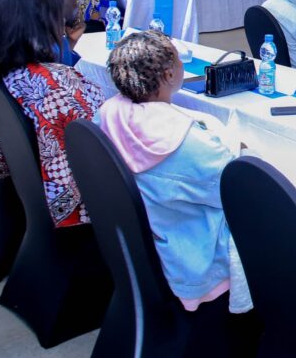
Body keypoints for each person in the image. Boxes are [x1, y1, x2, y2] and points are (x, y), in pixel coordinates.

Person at [99, 30, 251, 314]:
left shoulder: (107, 113)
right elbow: (236, 192)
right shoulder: (189, 145)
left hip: (148, 235)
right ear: (169, 75)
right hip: (196, 251)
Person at [0, 0, 103, 229]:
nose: (63, 25)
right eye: (58, 19)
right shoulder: (56, 84)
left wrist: (67, 47)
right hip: (80, 215)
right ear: (38, 26)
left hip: (24, 203)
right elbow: (101, 141)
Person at [36, 0, 87, 66]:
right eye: (73, 1)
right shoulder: (36, 42)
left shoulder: (55, 35)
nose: (76, 6)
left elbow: (63, 67)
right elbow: (56, 72)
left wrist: (71, 41)